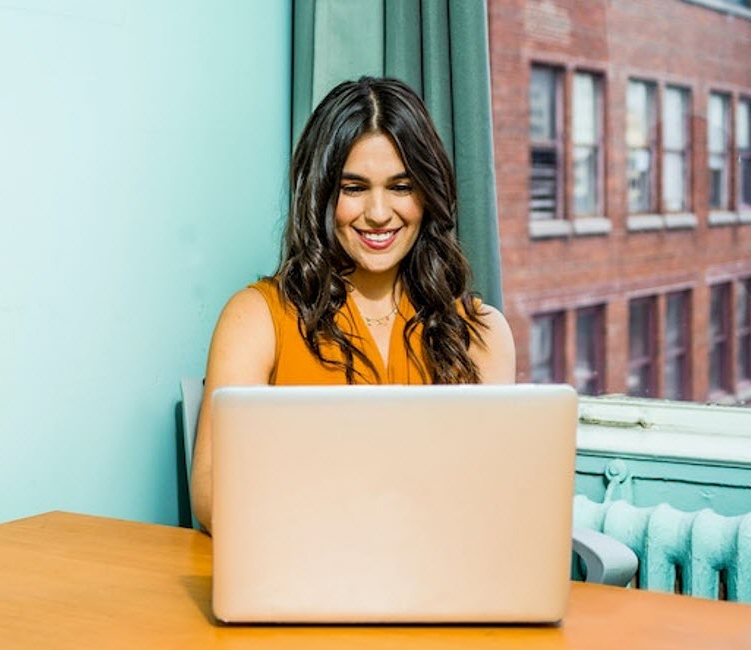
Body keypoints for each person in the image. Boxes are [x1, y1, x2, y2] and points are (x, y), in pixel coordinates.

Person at [191, 77, 516, 532]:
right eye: (354, 188)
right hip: (301, 572)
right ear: (322, 194)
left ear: (428, 194)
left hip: (439, 582)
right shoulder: (255, 318)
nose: (379, 213)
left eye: (401, 186)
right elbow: (212, 500)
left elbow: (493, 499)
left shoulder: (481, 331)